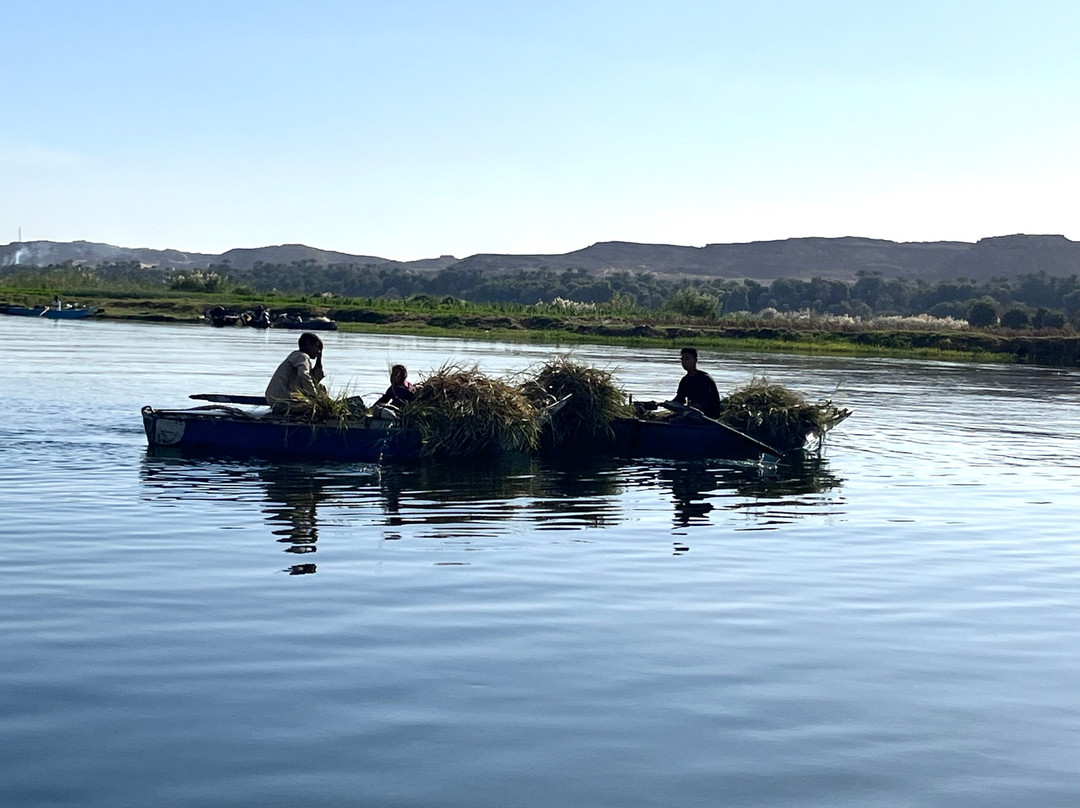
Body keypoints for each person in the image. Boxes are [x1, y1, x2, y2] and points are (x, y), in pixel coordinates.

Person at [265, 333, 325, 416]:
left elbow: (314, 379)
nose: (318, 351)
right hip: (281, 401)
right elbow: (303, 375)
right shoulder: (302, 356)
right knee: (317, 409)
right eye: (316, 347)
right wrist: (314, 396)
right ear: (307, 346)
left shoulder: (298, 356)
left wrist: (319, 358)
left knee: (321, 388)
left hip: (276, 400)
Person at [672, 346, 721, 419]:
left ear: (695, 360)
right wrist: (663, 404)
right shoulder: (685, 380)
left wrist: (687, 408)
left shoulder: (704, 379)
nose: (684, 362)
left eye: (687, 359)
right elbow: (680, 399)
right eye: (682, 359)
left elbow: (704, 403)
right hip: (693, 413)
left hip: (708, 416)